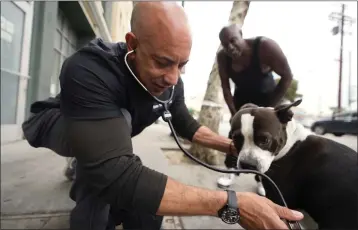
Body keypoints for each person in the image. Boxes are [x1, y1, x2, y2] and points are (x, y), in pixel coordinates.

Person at [22, 2, 303, 230]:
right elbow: (116, 175)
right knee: (101, 189)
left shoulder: (173, 83)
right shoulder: (89, 70)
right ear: (133, 43)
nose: (172, 77)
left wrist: (237, 147)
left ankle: (93, 158)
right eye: (163, 62)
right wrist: (232, 204)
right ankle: (86, 162)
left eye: (182, 65)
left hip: (107, 133)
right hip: (57, 121)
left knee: (147, 211)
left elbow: (186, 125)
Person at [216, 24, 293, 188]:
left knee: (266, 141)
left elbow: (287, 76)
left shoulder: (265, 46)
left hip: (267, 101)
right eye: (225, 44)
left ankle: (261, 181)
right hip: (242, 103)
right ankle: (230, 172)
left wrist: (270, 111)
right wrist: (234, 114)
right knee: (236, 138)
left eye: (233, 40)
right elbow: (226, 88)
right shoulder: (223, 57)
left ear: (241, 35)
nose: (230, 47)